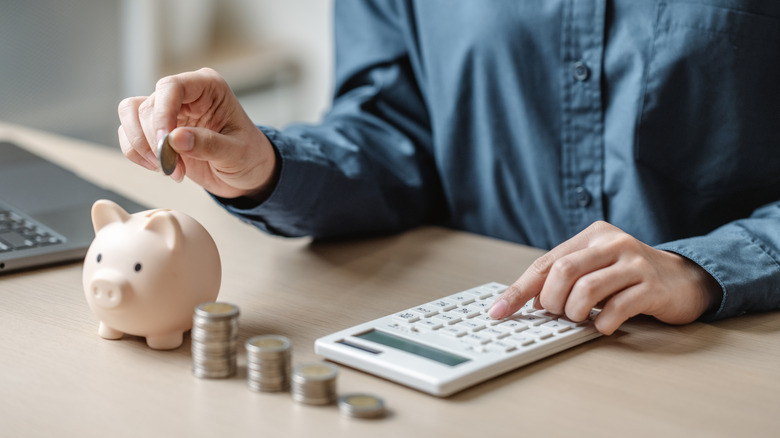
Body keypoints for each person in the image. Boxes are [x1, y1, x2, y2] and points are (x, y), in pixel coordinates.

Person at [117, 0, 780, 335]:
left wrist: (703, 267)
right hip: (494, 343)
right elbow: (393, 132)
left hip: (729, 348)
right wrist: (265, 164)